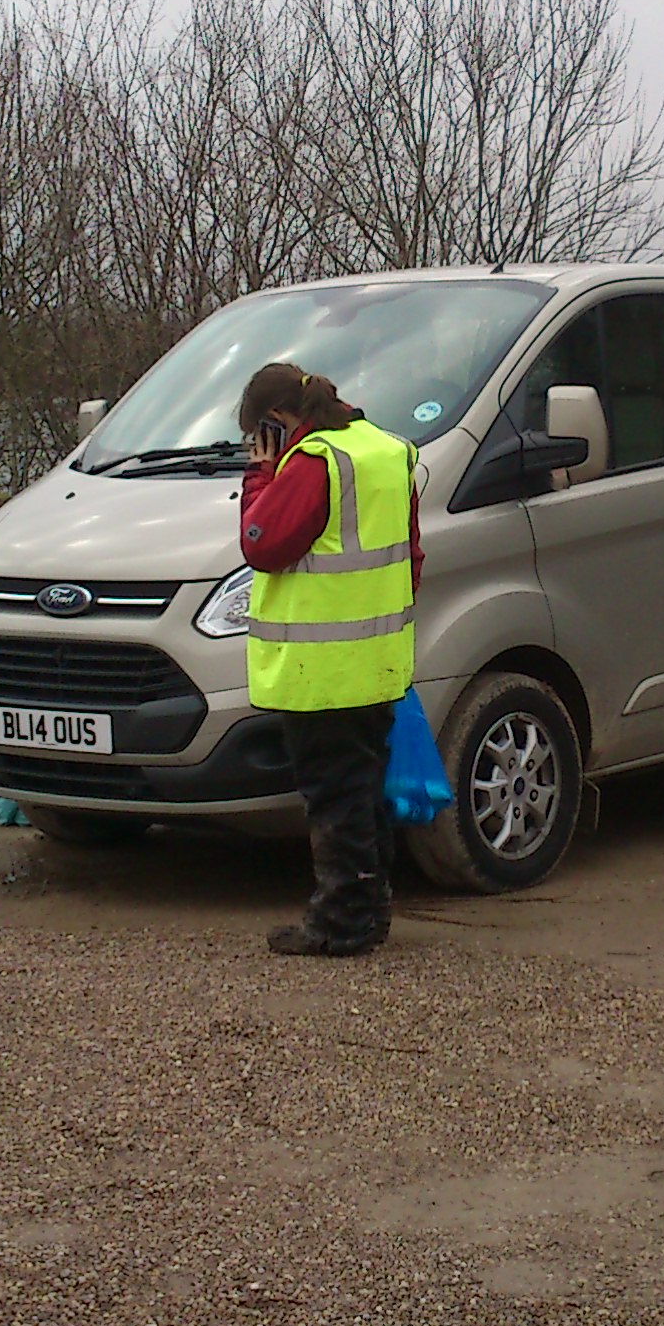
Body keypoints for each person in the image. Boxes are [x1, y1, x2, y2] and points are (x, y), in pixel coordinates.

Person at [235, 360, 423, 956]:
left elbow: (260, 544)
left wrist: (260, 476)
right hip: (376, 656)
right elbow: (411, 554)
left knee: (335, 796)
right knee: (362, 789)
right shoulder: (387, 450)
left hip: (320, 667)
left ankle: (341, 923)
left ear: (276, 421)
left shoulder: (313, 462)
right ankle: (369, 911)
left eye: (260, 433)